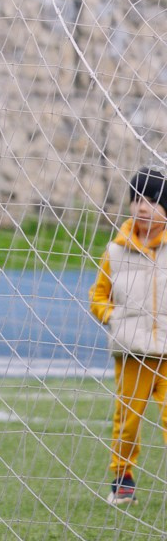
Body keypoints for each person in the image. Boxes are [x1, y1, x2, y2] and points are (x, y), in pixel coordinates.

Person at [96, 168, 167, 506]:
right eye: (137, 199)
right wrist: (115, 319)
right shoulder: (114, 251)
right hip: (133, 353)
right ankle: (122, 478)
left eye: (152, 201)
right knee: (128, 420)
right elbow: (98, 297)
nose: (142, 207)